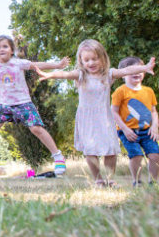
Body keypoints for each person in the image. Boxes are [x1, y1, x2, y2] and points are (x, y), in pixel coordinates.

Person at [36, 40, 155, 186]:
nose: (91, 63)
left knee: (110, 149)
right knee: (90, 150)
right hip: (86, 118)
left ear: (102, 58)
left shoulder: (108, 74)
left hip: (104, 117)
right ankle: (98, 179)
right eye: (87, 60)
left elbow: (126, 71)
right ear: (81, 61)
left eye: (94, 58)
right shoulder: (80, 75)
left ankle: (110, 179)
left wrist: (146, 67)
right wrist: (49, 75)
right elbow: (64, 74)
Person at [0, 35, 69, 176]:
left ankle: (58, 156)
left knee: (36, 129)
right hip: (4, 105)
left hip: (23, 103)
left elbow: (37, 65)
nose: (1, 49)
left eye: (5, 46)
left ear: (12, 50)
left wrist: (57, 65)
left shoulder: (18, 63)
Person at [111, 56, 158, 186]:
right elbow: (113, 112)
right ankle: (136, 182)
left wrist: (155, 127)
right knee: (137, 156)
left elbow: (154, 111)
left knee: (155, 156)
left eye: (139, 69)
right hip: (128, 131)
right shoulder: (120, 91)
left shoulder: (149, 91)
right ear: (123, 75)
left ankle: (152, 183)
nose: (136, 73)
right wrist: (125, 130)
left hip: (148, 131)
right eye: (131, 71)